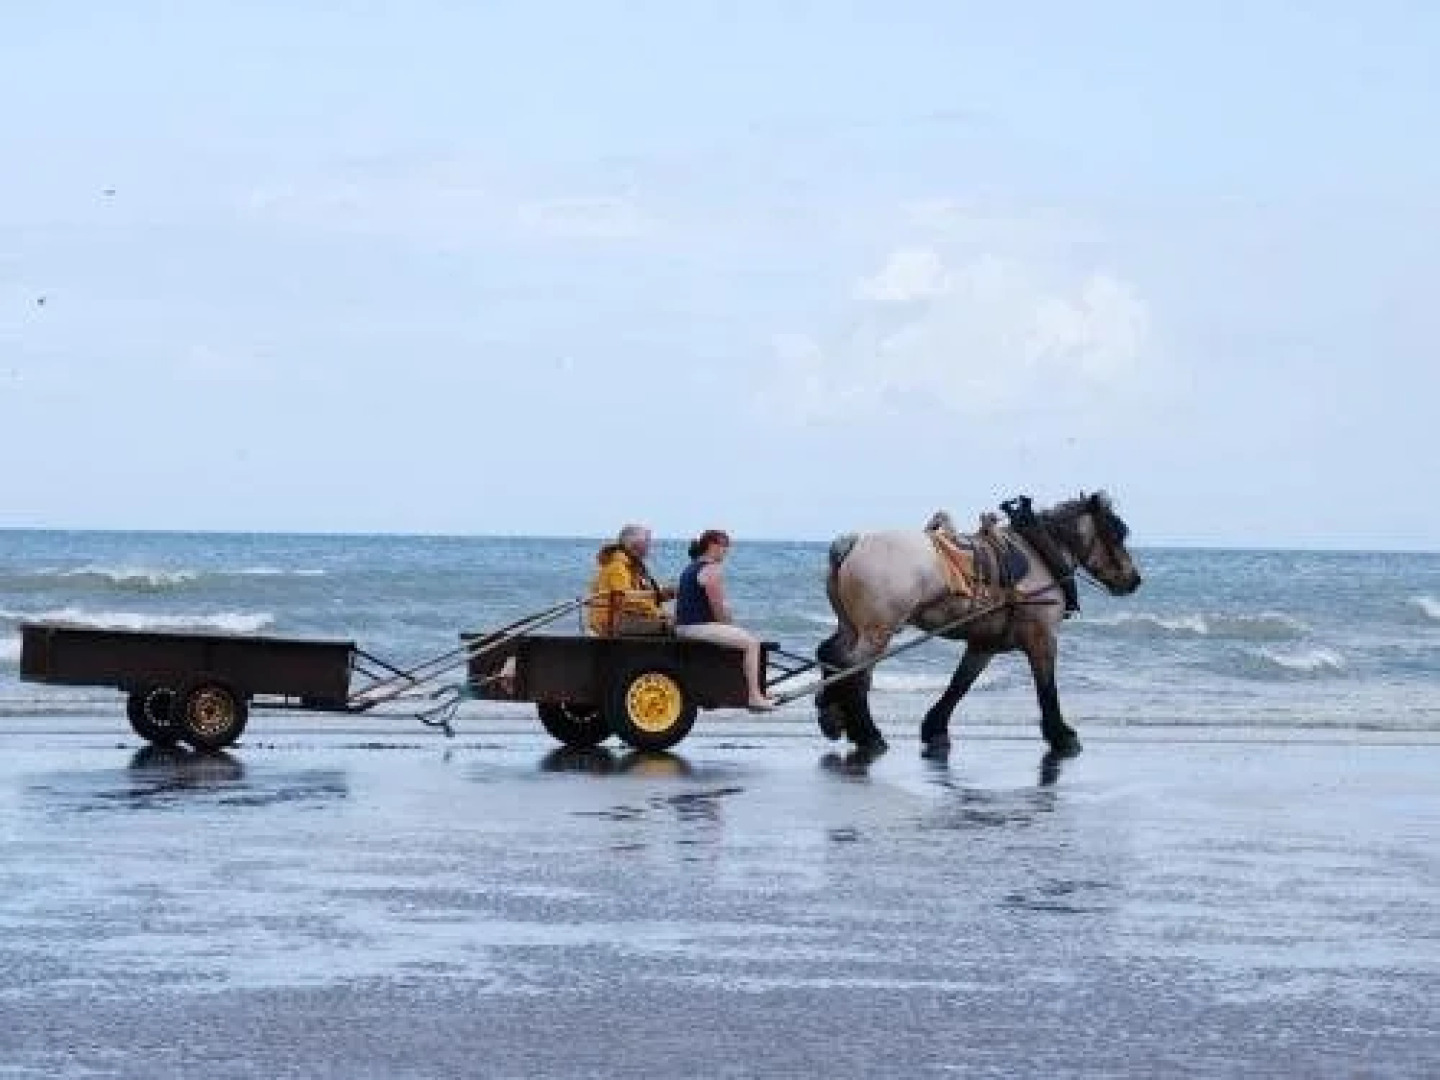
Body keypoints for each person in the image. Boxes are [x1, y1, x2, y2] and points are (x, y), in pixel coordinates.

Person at [673, 529, 775, 711]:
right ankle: (754, 697)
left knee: (741, 637)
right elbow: (717, 608)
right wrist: (729, 626)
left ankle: (755, 692)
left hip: (684, 626)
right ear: (712, 546)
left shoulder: (692, 566)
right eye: (724, 546)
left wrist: (731, 628)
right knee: (752, 644)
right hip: (696, 627)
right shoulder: (711, 569)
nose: (726, 551)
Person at [587, 524, 675, 636]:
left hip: (621, 618)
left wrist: (660, 595)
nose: (649, 546)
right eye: (647, 542)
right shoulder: (618, 567)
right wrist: (657, 612)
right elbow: (624, 600)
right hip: (613, 622)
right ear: (636, 545)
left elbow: (635, 595)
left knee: (674, 622)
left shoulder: (630, 565)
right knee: (675, 626)